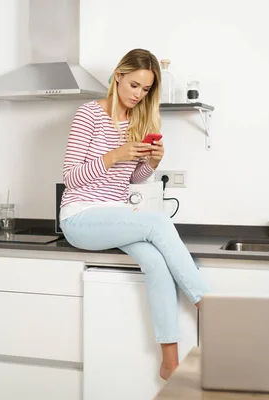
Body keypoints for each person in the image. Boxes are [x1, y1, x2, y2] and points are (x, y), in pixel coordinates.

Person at [59, 48, 211, 381]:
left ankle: (169, 362)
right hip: (80, 217)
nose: (138, 95)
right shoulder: (89, 114)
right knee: (157, 220)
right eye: (134, 86)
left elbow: (130, 179)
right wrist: (117, 153)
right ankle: (210, 308)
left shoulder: (137, 120)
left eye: (145, 90)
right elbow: (71, 177)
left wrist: (152, 163)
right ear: (118, 77)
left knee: (156, 262)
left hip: (113, 215)